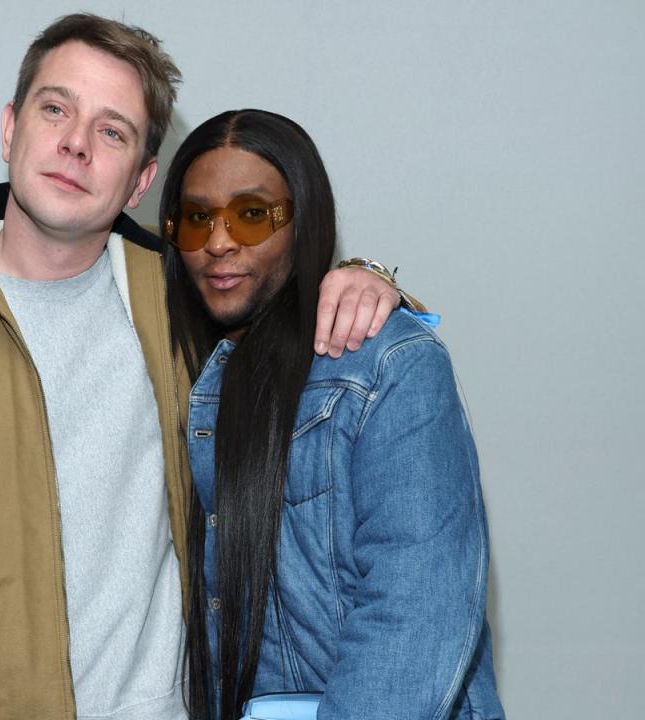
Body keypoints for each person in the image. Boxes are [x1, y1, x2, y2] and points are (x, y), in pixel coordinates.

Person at [0, 15, 405, 720]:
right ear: (10, 127)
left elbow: (311, 312)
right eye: (55, 107)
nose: (75, 144)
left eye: (112, 131)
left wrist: (368, 279)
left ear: (139, 182)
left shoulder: (181, 291)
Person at [160, 109, 505, 720]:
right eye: (196, 218)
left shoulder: (388, 364)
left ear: (303, 221)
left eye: (252, 214)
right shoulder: (191, 375)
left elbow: (414, 612)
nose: (218, 241)